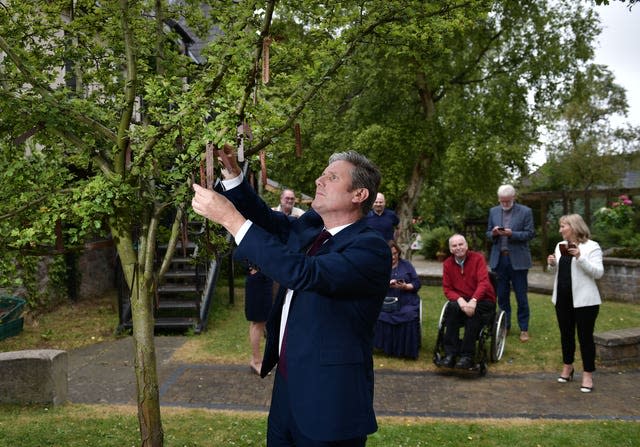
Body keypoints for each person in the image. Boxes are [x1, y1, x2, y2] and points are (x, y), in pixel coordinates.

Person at [192, 146, 391, 446]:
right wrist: (233, 177)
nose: (318, 181)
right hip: (287, 390)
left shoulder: (370, 248)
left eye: (331, 177)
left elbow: (304, 272)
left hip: (330, 403)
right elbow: (266, 221)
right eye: (322, 175)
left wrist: (230, 220)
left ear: (359, 195)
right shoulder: (311, 229)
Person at [546, 214, 604, 393]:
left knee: (585, 338)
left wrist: (580, 257)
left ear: (573, 227)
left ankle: (587, 375)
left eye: (563, 226)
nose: (560, 230)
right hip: (562, 299)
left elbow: (598, 273)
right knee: (566, 335)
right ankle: (568, 367)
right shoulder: (560, 246)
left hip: (585, 302)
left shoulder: (591, 247)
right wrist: (552, 264)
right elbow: (555, 272)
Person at [438, 234, 496, 369]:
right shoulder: (447, 264)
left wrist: (474, 300)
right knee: (452, 308)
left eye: (461, 244)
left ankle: (467, 356)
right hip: (462, 300)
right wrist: (460, 301)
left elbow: (484, 283)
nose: (458, 248)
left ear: (466, 245)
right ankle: (450, 354)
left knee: (473, 314)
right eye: (454, 245)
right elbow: (447, 289)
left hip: (483, 299)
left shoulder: (478, 259)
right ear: (450, 249)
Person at [486, 184, 535, 342]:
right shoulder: (493, 211)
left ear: (514, 197)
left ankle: (524, 328)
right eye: (502, 201)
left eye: (507, 201)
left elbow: (530, 233)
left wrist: (512, 234)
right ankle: (505, 326)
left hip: (518, 260)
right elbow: (487, 233)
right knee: (502, 296)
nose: (504, 204)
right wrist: (493, 233)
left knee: (521, 296)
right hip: (499, 259)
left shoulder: (525, 211)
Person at [373, 240, 422, 359]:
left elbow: (416, 283)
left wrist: (405, 286)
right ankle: (385, 347)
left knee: (409, 313)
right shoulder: (379, 266)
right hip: (385, 300)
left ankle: (406, 349)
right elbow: (372, 286)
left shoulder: (406, 265)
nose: (393, 256)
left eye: (395, 253)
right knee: (379, 313)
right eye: (390, 254)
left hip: (405, 298)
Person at [245, 264, 273, 375]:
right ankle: (256, 361)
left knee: (262, 320)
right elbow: (243, 249)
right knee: (258, 322)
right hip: (258, 278)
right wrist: (253, 268)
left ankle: (257, 360)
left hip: (265, 276)